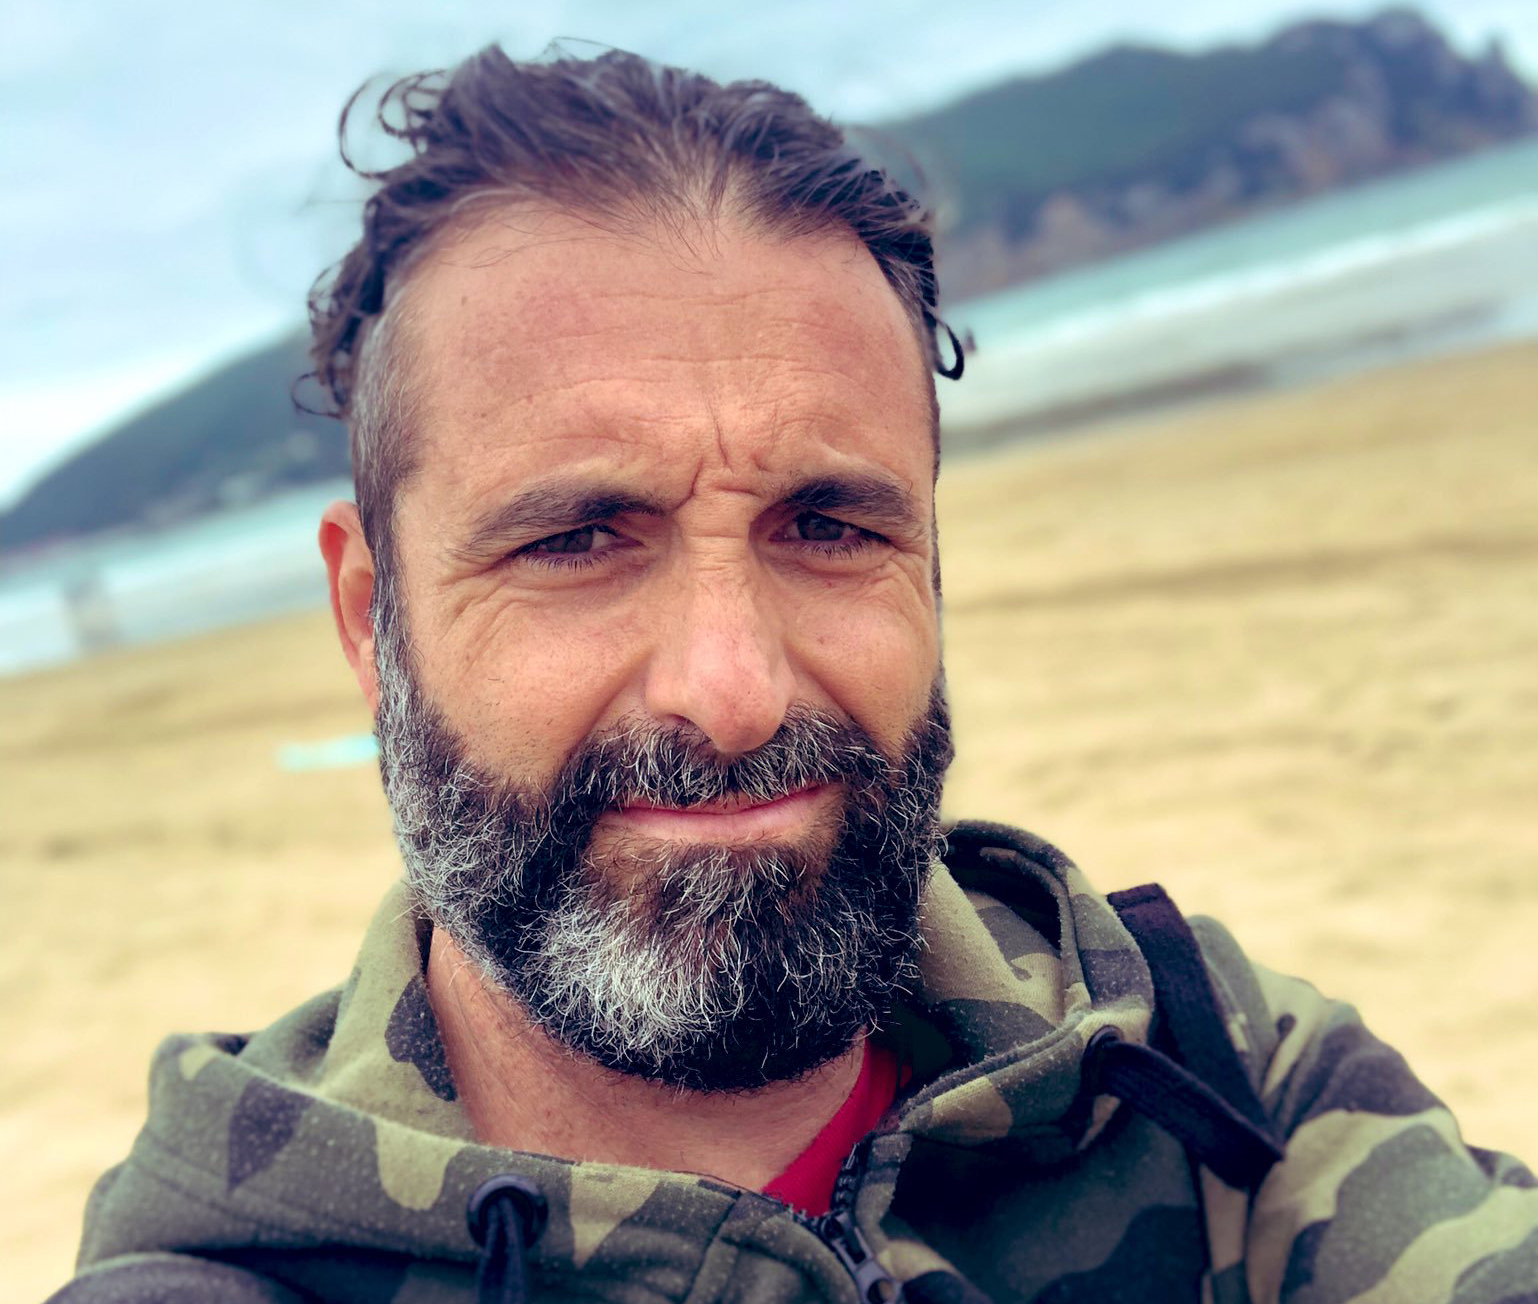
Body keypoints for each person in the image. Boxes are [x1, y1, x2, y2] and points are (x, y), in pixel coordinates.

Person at [54, 46, 1537, 1304]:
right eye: (576, 539)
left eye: (829, 528)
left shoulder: (1208, 1076)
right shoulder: (230, 1272)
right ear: (370, 622)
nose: (735, 689)